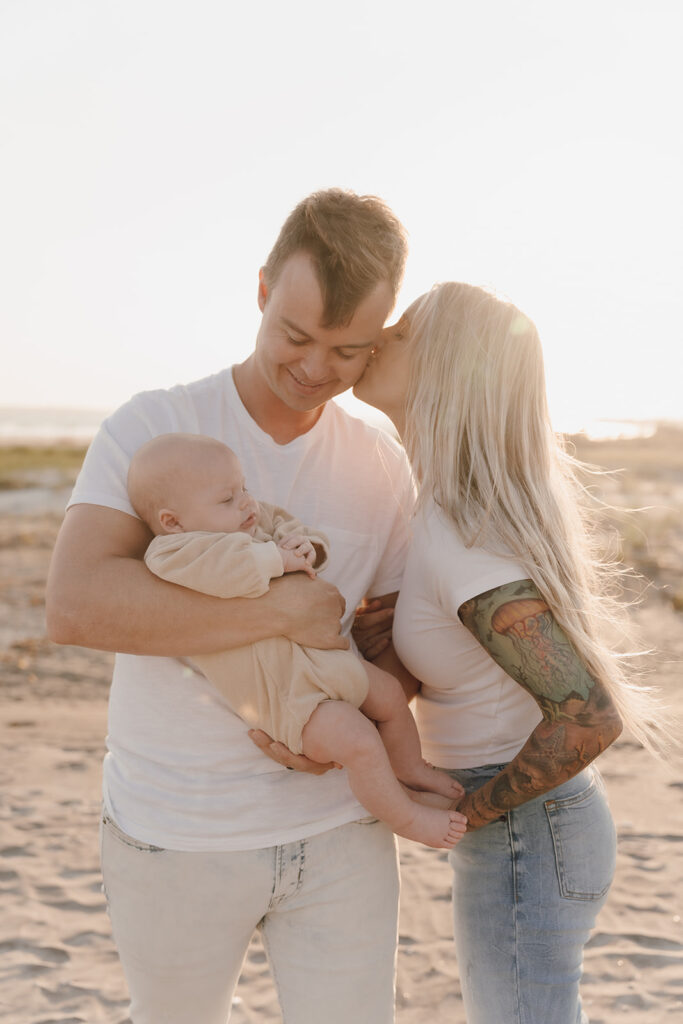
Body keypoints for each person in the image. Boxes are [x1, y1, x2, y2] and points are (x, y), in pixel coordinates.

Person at [46, 189, 419, 1024]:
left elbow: (384, 632)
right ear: (259, 292)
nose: (316, 367)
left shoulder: (379, 462)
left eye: (348, 349)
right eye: (295, 335)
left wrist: (342, 726)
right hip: (178, 830)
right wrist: (283, 613)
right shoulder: (158, 427)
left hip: (339, 827)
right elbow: (75, 605)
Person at [352, 282, 665, 1024]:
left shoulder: (464, 532)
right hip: (535, 830)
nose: (376, 334)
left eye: (399, 331)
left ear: (442, 369)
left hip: (529, 832)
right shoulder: (444, 510)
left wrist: (467, 809)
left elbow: (587, 715)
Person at [127, 432, 465, 848]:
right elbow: (225, 570)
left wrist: (308, 546)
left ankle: (409, 766)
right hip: (289, 697)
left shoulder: (257, 519)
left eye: (244, 488)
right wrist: (276, 558)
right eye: (227, 499)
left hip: (327, 663)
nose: (247, 503)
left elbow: (290, 526)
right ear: (172, 521)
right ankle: (406, 817)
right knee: (358, 742)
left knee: (391, 695)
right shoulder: (173, 553)